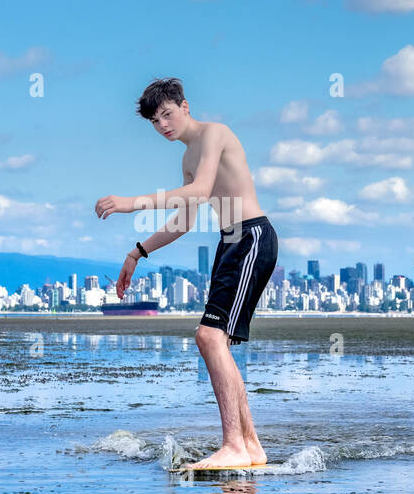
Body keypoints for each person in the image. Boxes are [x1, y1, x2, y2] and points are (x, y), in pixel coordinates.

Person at [94, 78, 279, 469]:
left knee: (209, 337)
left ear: (185, 106)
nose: (163, 125)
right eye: (155, 121)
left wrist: (131, 203)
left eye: (167, 114)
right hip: (230, 243)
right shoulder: (187, 158)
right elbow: (183, 221)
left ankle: (235, 446)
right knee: (215, 342)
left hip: (251, 236)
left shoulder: (215, 134)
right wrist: (137, 251)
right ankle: (250, 446)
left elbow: (200, 191)